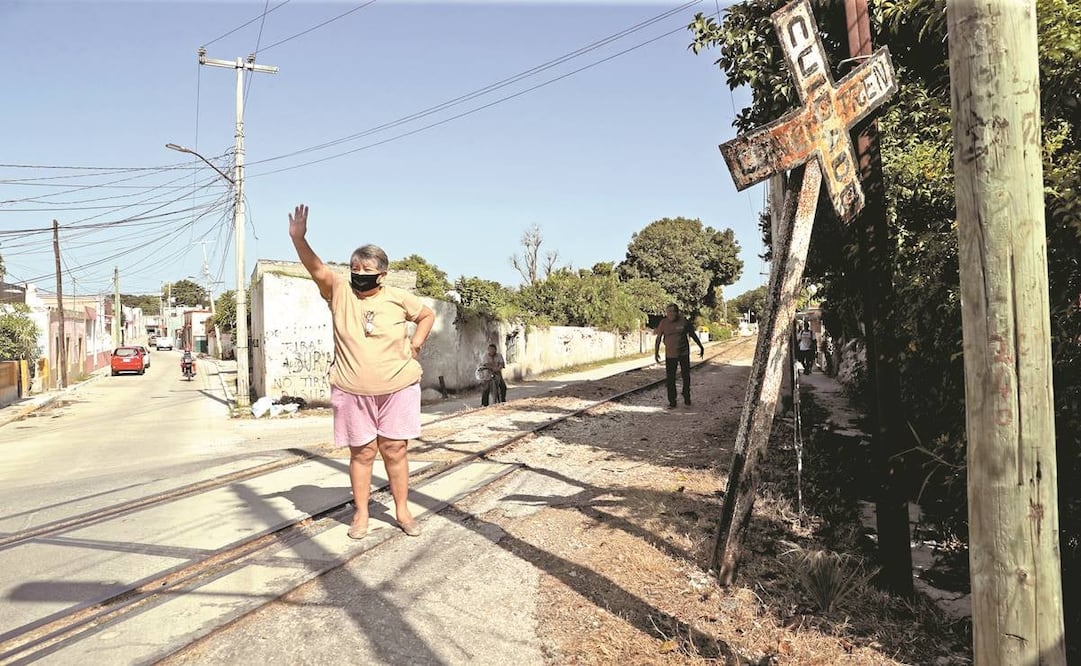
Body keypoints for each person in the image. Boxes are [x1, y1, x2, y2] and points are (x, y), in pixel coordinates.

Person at [288, 204, 435, 539]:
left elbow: (427, 316)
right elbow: (318, 269)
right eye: (355, 267)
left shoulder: (398, 297)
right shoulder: (339, 292)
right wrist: (299, 239)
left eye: (366, 269)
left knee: (395, 450)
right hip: (352, 390)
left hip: (398, 388)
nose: (358, 272)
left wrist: (416, 345)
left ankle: (402, 510)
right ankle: (362, 515)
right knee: (363, 452)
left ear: (382, 274)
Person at [654, 304, 704, 408]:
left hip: (683, 354)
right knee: (670, 378)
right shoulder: (663, 323)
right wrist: (656, 352)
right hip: (670, 355)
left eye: (673, 311)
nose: (671, 314)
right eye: (668, 312)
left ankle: (686, 395)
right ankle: (672, 400)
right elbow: (658, 338)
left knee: (686, 376)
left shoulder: (684, 322)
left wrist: (700, 346)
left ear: (677, 312)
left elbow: (693, 335)